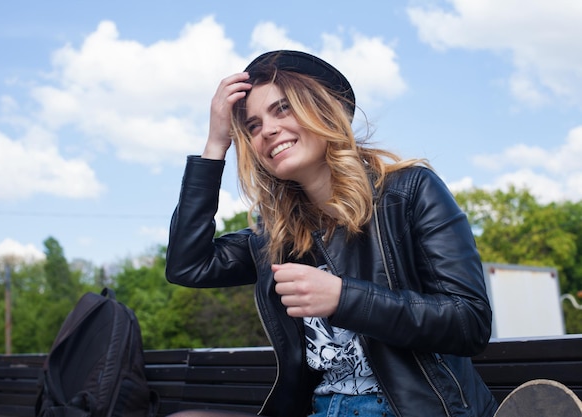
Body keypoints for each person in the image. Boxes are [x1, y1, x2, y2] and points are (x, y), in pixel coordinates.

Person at [165, 50, 498, 417]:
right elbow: (188, 266)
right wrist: (215, 146)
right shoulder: (277, 236)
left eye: (283, 109)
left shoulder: (410, 192)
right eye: (253, 126)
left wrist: (344, 298)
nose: (268, 131)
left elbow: (469, 321)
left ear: (323, 111)